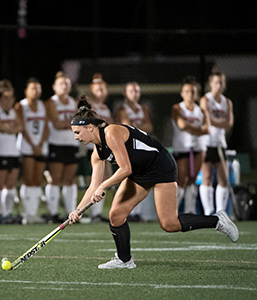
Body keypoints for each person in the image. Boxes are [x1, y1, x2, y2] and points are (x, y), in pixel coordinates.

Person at [68, 96, 238, 270]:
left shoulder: (111, 133)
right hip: (140, 172)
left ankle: (217, 220)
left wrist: (104, 186)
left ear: (89, 127)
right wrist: (78, 210)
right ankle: (124, 260)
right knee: (116, 215)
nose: (75, 137)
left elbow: (125, 169)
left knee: (169, 224)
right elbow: (93, 186)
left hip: (160, 165)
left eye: (77, 132)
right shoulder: (97, 153)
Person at [114, 81, 153, 222]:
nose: (134, 94)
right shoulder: (121, 109)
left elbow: (150, 126)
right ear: (125, 93)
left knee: (140, 178)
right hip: (127, 147)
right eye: (131, 91)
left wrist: (136, 126)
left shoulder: (144, 108)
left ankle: (137, 212)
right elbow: (127, 126)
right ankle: (126, 211)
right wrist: (139, 127)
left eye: (137, 91)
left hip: (141, 146)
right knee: (128, 177)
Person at [44, 71, 79, 223]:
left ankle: (70, 213)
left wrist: (67, 123)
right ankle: (53, 212)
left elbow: (79, 122)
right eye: (61, 84)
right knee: (55, 178)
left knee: (70, 179)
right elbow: (57, 124)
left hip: (71, 143)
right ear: (54, 86)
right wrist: (71, 122)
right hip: (56, 143)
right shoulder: (51, 102)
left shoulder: (74, 102)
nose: (64, 87)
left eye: (67, 84)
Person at [171, 76, 209, 214]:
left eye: (192, 91)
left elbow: (207, 129)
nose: (190, 94)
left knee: (193, 179)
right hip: (182, 148)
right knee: (181, 180)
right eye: (186, 91)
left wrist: (191, 129)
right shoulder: (177, 108)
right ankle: (172, 211)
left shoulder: (201, 110)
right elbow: (182, 125)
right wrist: (197, 130)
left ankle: (190, 211)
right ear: (182, 93)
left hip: (198, 148)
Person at [199, 71, 234, 215]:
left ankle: (221, 212)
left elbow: (229, 123)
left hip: (221, 144)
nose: (219, 85)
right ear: (211, 84)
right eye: (216, 83)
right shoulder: (205, 100)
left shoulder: (227, 102)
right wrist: (220, 122)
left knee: (223, 178)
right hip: (206, 143)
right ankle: (208, 211)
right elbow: (207, 120)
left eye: (221, 82)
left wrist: (216, 121)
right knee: (206, 177)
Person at [0, 79, 22, 224]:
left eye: (11, 98)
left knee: (11, 184)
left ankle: (7, 213)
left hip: (13, 152)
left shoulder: (15, 111)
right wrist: (10, 129)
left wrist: (9, 129)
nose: (9, 101)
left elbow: (20, 127)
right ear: (0, 98)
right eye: (6, 98)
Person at [15, 78, 49, 224]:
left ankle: (34, 213)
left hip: (41, 145)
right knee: (28, 179)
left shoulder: (43, 105)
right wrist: (33, 144)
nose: (36, 91)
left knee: (37, 180)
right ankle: (27, 213)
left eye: (38, 88)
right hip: (27, 146)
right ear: (26, 91)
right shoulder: (21, 106)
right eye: (33, 88)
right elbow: (22, 127)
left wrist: (40, 143)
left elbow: (46, 126)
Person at [85, 73, 114, 222]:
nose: (101, 91)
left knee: (106, 179)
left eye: (103, 88)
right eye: (98, 88)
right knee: (96, 179)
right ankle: (92, 212)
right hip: (94, 147)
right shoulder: (91, 107)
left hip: (106, 147)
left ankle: (97, 212)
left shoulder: (105, 107)